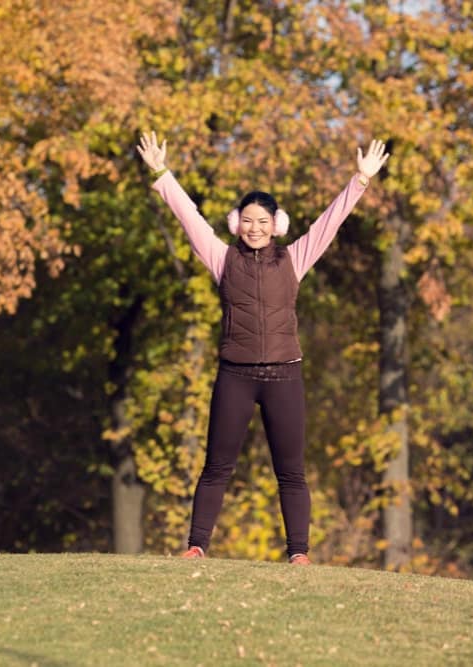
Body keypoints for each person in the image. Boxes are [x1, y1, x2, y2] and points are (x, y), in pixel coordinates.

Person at [136, 131, 389, 564]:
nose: (255, 228)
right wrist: (162, 174)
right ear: (237, 224)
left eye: (263, 222)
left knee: (291, 472)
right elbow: (189, 217)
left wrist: (360, 181)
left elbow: (330, 221)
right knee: (217, 466)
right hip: (235, 376)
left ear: (277, 226)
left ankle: (299, 553)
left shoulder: (295, 258)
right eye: (248, 221)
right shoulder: (221, 258)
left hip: (284, 376)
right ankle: (196, 546)